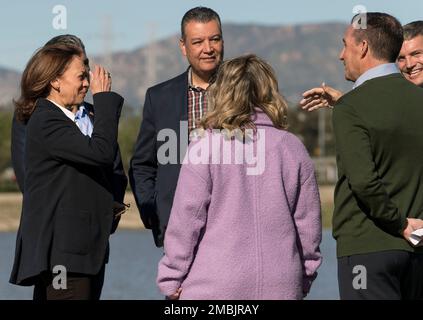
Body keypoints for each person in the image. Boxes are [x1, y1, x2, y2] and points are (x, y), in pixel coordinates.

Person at [156, 54, 322, 300]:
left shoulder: (205, 147)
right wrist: (304, 276)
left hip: (213, 287)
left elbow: (186, 221)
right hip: (281, 284)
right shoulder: (292, 148)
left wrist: (171, 278)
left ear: (222, 92)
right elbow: (308, 228)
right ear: (268, 92)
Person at [9, 42, 125, 300]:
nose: (87, 83)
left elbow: (112, 166)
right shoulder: (47, 119)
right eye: (81, 77)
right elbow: (101, 152)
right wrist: (104, 98)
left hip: (86, 250)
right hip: (64, 256)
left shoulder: (69, 118)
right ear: (55, 82)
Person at [325, 13, 423, 299]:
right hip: (416, 250)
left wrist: (400, 224)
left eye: (345, 45)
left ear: (363, 47)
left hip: (367, 249)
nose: (341, 55)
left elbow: (364, 182)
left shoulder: (351, 107)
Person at [129, 7, 224, 247]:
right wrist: (155, 214)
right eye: (198, 41)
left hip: (234, 229)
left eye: (214, 39)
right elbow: (142, 165)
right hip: (179, 230)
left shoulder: (246, 91)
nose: (208, 48)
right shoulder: (159, 98)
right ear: (183, 46)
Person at [11, 35, 128, 215]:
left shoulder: (95, 115)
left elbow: (116, 170)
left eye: (85, 65)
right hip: (58, 229)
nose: (87, 82)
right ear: (54, 76)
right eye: (80, 73)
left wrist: (108, 216)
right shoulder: (34, 117)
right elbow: (28, 179)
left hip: (95, 232)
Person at [299, 20, 423, 110]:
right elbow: (381, 116)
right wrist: (343, 102)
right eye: (401, 58)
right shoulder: (399, 99)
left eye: (416, 54)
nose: (409, 64)